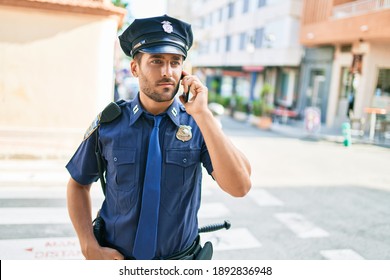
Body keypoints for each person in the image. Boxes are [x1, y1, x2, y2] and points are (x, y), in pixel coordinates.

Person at [66, 15, 251, 260]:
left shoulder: (198, 124)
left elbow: (240, 187)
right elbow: (78, 184)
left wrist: (204, 115)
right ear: (135, 68)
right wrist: (88, 245)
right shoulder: (110, 124)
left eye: (175, 62)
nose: (167, 72)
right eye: (156, 61)